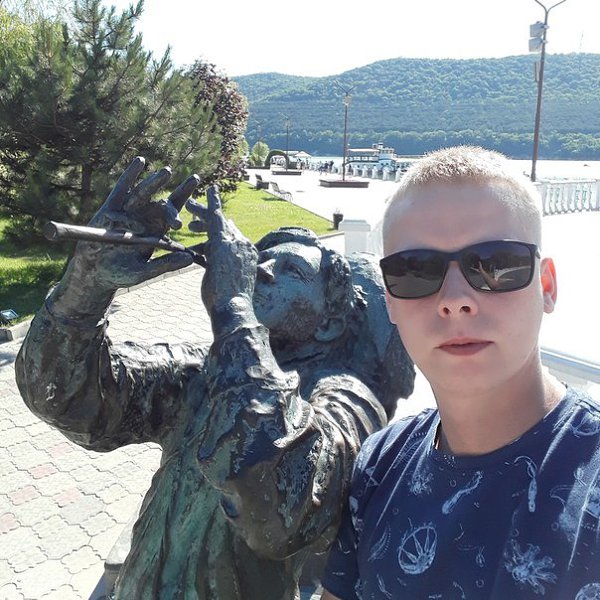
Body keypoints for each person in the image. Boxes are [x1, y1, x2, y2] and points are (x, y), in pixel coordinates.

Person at [15, 157, 414, 599]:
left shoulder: (349, 399)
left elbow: (282, 508)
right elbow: (62, 395)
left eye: (292, 271)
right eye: (262, 259)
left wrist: (233, 309)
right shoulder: (208, 372)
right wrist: (84, 287)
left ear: (329, 324)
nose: (261, 269)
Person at [321, 146, 600, 599]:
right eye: (415, 271)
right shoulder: (377, 465)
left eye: (496, 264)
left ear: (546, 287)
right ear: (389, 302)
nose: (455, 299)